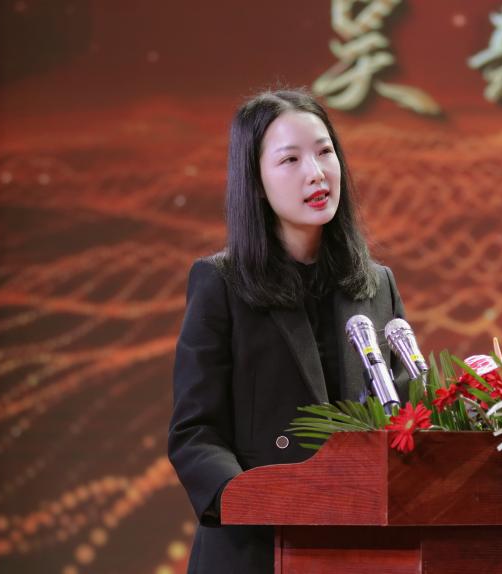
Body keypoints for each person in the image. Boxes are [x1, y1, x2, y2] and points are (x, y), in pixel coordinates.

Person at [167, 88, 409, 574]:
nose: (316, 173)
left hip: (359, 549)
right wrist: (252, 502)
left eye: (324, 152)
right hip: (256, 549)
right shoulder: (222, 283)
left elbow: (403, 414)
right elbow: (195, 430)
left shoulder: (376, 284)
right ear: (255, 182)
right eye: (290, 159)